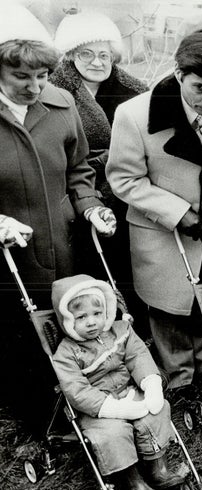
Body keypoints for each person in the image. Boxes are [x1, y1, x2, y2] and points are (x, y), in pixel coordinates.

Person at [106, 31, 202, 395]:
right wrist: (176, 211)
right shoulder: (134, 115)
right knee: (169, 311)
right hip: (162, 235)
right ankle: (179, 383)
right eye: (200, 88)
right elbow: (123, 179)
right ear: (178, 75)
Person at [0, 5, 116, 430]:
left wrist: (92, 207)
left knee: (68, 329)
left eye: (42, 77)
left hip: (63, 250)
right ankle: (33, 422)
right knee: (20, 338)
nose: (34, 87)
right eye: (21, 78)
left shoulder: (63, 104)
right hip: (9, 261)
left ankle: (78, 411)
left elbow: (79, 173)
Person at [51, 11, 149, 332]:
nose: (97, 62)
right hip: (78, 193)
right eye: (87, 54)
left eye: (104, 54)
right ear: (70, 56)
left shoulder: (130, 92)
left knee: (124, 260)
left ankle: (128, 327)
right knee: (90, 263)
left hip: (124, 191)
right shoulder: (57, 94)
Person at [51, 274, 184, 490]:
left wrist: (151, 384)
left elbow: (138, 356)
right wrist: (112, 408)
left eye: (97, 314)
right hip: (98, 408)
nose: (92, 321)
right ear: (67, 320)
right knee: (111, 434)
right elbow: (77, 390)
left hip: (128, 391)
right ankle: (133, 483)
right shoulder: (65, 353)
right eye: (81, 317)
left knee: (156, 411)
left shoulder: (120, 331)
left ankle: (157, 469)